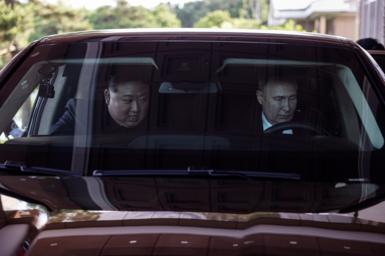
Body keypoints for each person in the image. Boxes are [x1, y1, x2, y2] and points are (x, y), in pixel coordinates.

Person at [50, 74, 150, 135]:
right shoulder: (81, 112)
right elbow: (54, 141)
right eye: (128, 100)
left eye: (143, 99)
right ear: (107, 96)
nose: (136, 109)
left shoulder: (158, 119)